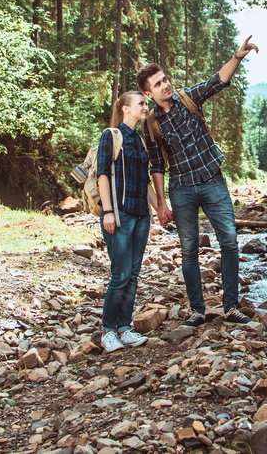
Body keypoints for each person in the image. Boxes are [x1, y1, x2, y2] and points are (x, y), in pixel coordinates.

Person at [137, 36, 259, 327]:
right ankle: (197, 311)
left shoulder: (188, 97)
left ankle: (231, 307)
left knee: (229, 241)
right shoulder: (151, 124)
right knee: (189, 249)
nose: (165, 85)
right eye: (157, 84)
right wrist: (161, 203)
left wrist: (238, 56)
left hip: (212, 180)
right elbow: (157, 166)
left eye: (164, 79)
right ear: (148, 93)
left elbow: (217, 80)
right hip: (181, 188)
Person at [96, 90, 156, 352]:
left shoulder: (140, 142)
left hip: (142, 215)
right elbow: (102, 175)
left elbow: (144, 181)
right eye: (141, 104)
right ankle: (108, 330)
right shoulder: (111, 136)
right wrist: (108, 211)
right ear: (126, 109)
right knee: (120, 274)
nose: (146, 107)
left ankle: (125, 328)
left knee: (132, 274)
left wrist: (160, 208)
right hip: (118, 216)